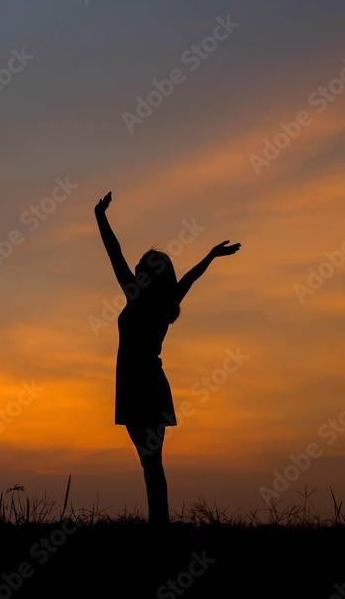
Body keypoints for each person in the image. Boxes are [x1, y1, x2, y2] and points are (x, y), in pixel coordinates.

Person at [94, 191, 240, 525]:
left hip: (138, 385)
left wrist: (100, 216)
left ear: (147, 274)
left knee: (150, 462)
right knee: (151, 462)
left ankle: (159, 526)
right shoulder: (164, 302)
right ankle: (159, 524)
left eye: (140, 267)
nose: (133, 268)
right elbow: (189, 277)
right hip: (145, 385)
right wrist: (211, 256)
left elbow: (114, 252)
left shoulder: (137, 296)